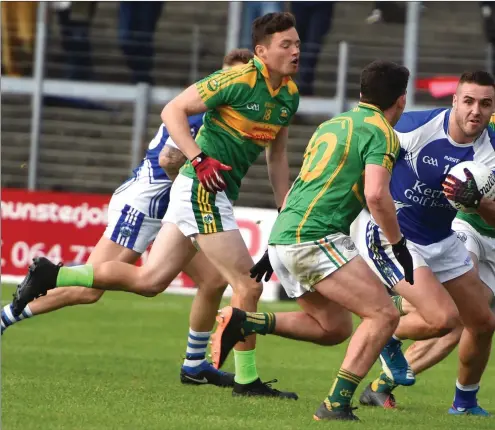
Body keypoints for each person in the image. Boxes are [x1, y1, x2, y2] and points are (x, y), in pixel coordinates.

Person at [13, 13, 301, 399]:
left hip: (208, 194)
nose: (296, 50)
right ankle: (247, 380)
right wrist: (199, 158)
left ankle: (53, 275)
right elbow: (172, 110)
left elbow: (276, 156)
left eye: (298, 43)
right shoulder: (236, 79)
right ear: (262, 52)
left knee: (151, 282)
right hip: (200, 191)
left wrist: (284, 205)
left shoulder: (288, 96)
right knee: (246, 284)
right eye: (287, 44)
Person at [211, 60, 413, 421]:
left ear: (362, 93)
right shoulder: (382, 131)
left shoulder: (331, 125)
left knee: (334, 328)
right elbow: (377, 196)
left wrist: (274, 249)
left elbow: (303, 186)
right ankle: (336, 405)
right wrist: (397, 244)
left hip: (287, 235)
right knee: (383, 314)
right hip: (315, 238)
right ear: (401, 101)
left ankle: (247, 321)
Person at [352, 71, 495, 416]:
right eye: (469, 101)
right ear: (455, 101)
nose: (476, 111)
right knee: (445, 317)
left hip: (441, 238)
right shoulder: (412, 127)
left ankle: (464, 404)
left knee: (483, 322)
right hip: (400, 237)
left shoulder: (489, 152)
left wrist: (476, 201)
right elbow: (358, 160)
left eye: (485, 104)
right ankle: (385, 329)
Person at [360, 212, 495, 412]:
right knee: (460, 311)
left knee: (475, 322)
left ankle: (380, 387)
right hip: (468, 226)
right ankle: (386, 327)